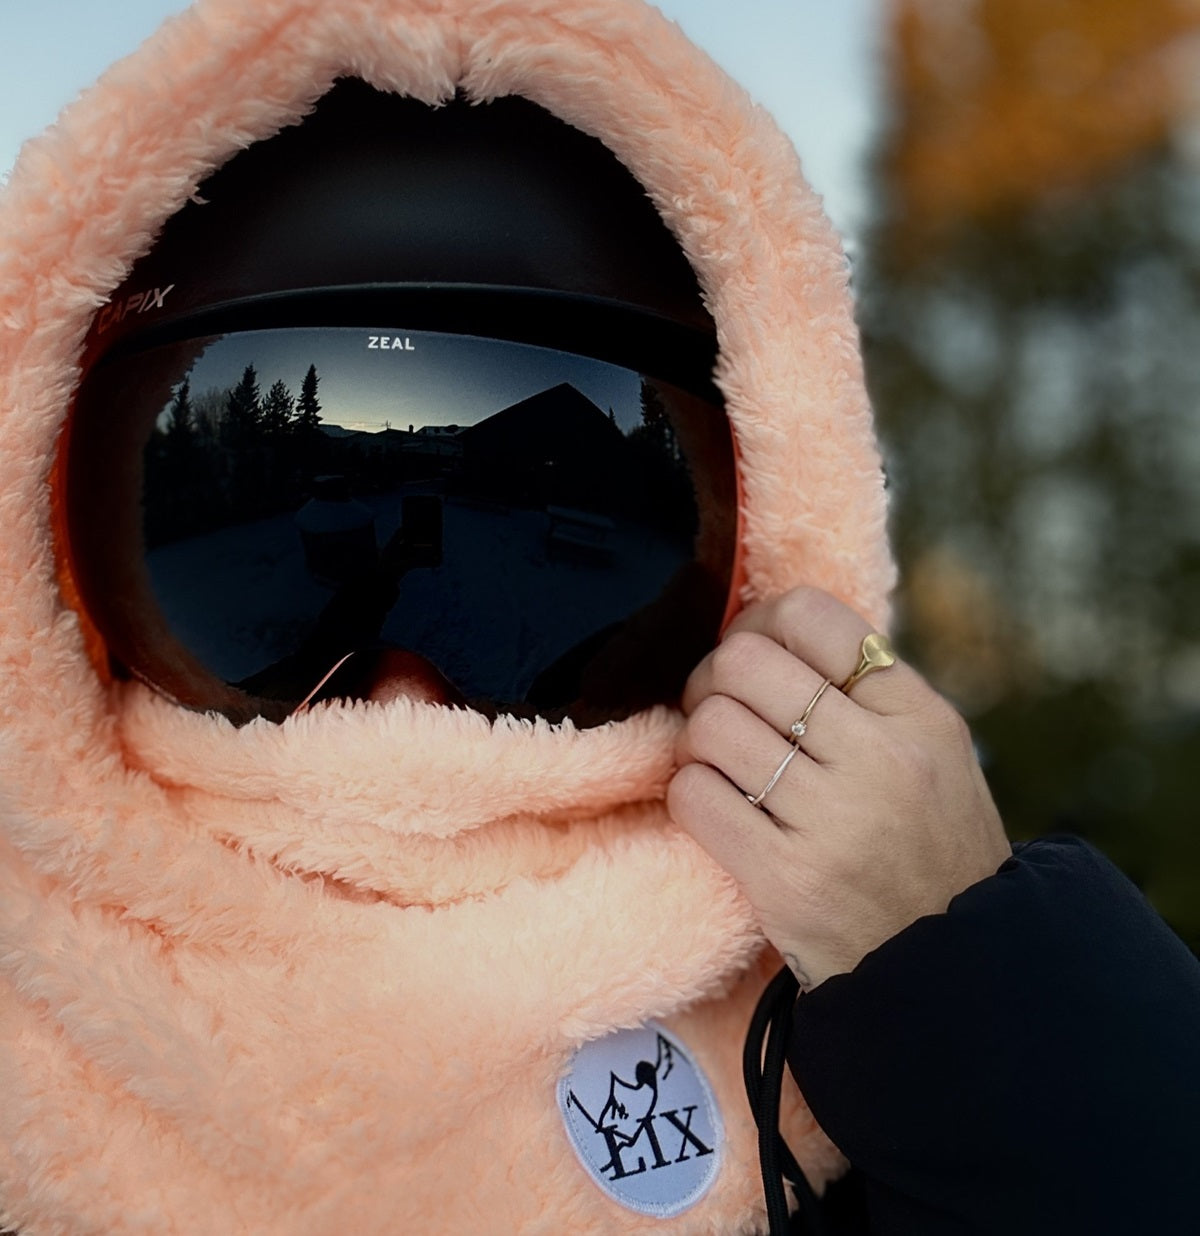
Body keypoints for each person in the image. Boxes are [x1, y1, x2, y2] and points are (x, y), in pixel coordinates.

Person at [2, 2, 1197, 1234]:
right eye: (303, 505)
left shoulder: (837, 1055)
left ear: (764, 553)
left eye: (582, 601)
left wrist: (974, 980)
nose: (410, 711)